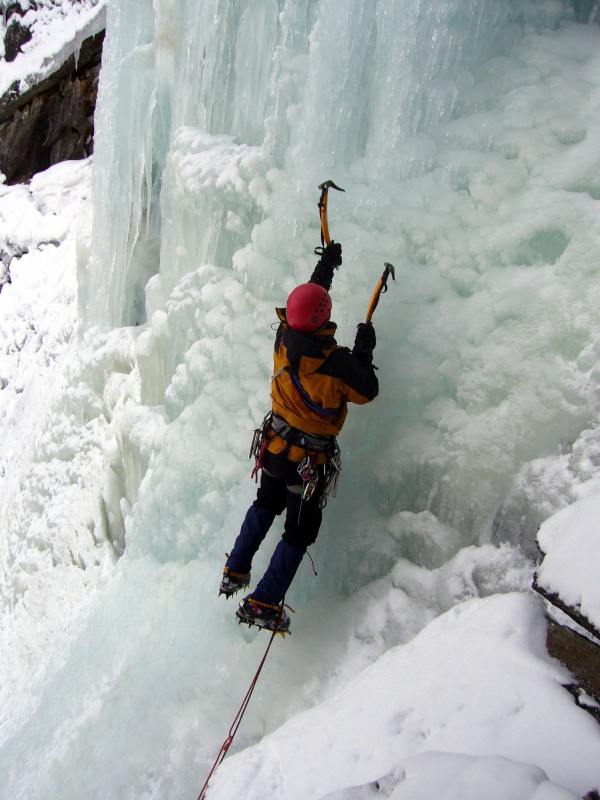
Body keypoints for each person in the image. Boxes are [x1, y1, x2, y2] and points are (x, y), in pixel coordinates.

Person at [220, 241, 379, 632]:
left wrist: (324, 268)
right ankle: (263, 601)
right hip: (308, 467)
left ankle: (235, 569)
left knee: (265, 503)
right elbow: (366, 391)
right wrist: (363, 353)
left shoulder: (282, 340)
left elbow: (305, 308)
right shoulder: (338, 364)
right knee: (299, 531)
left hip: (274, 448)